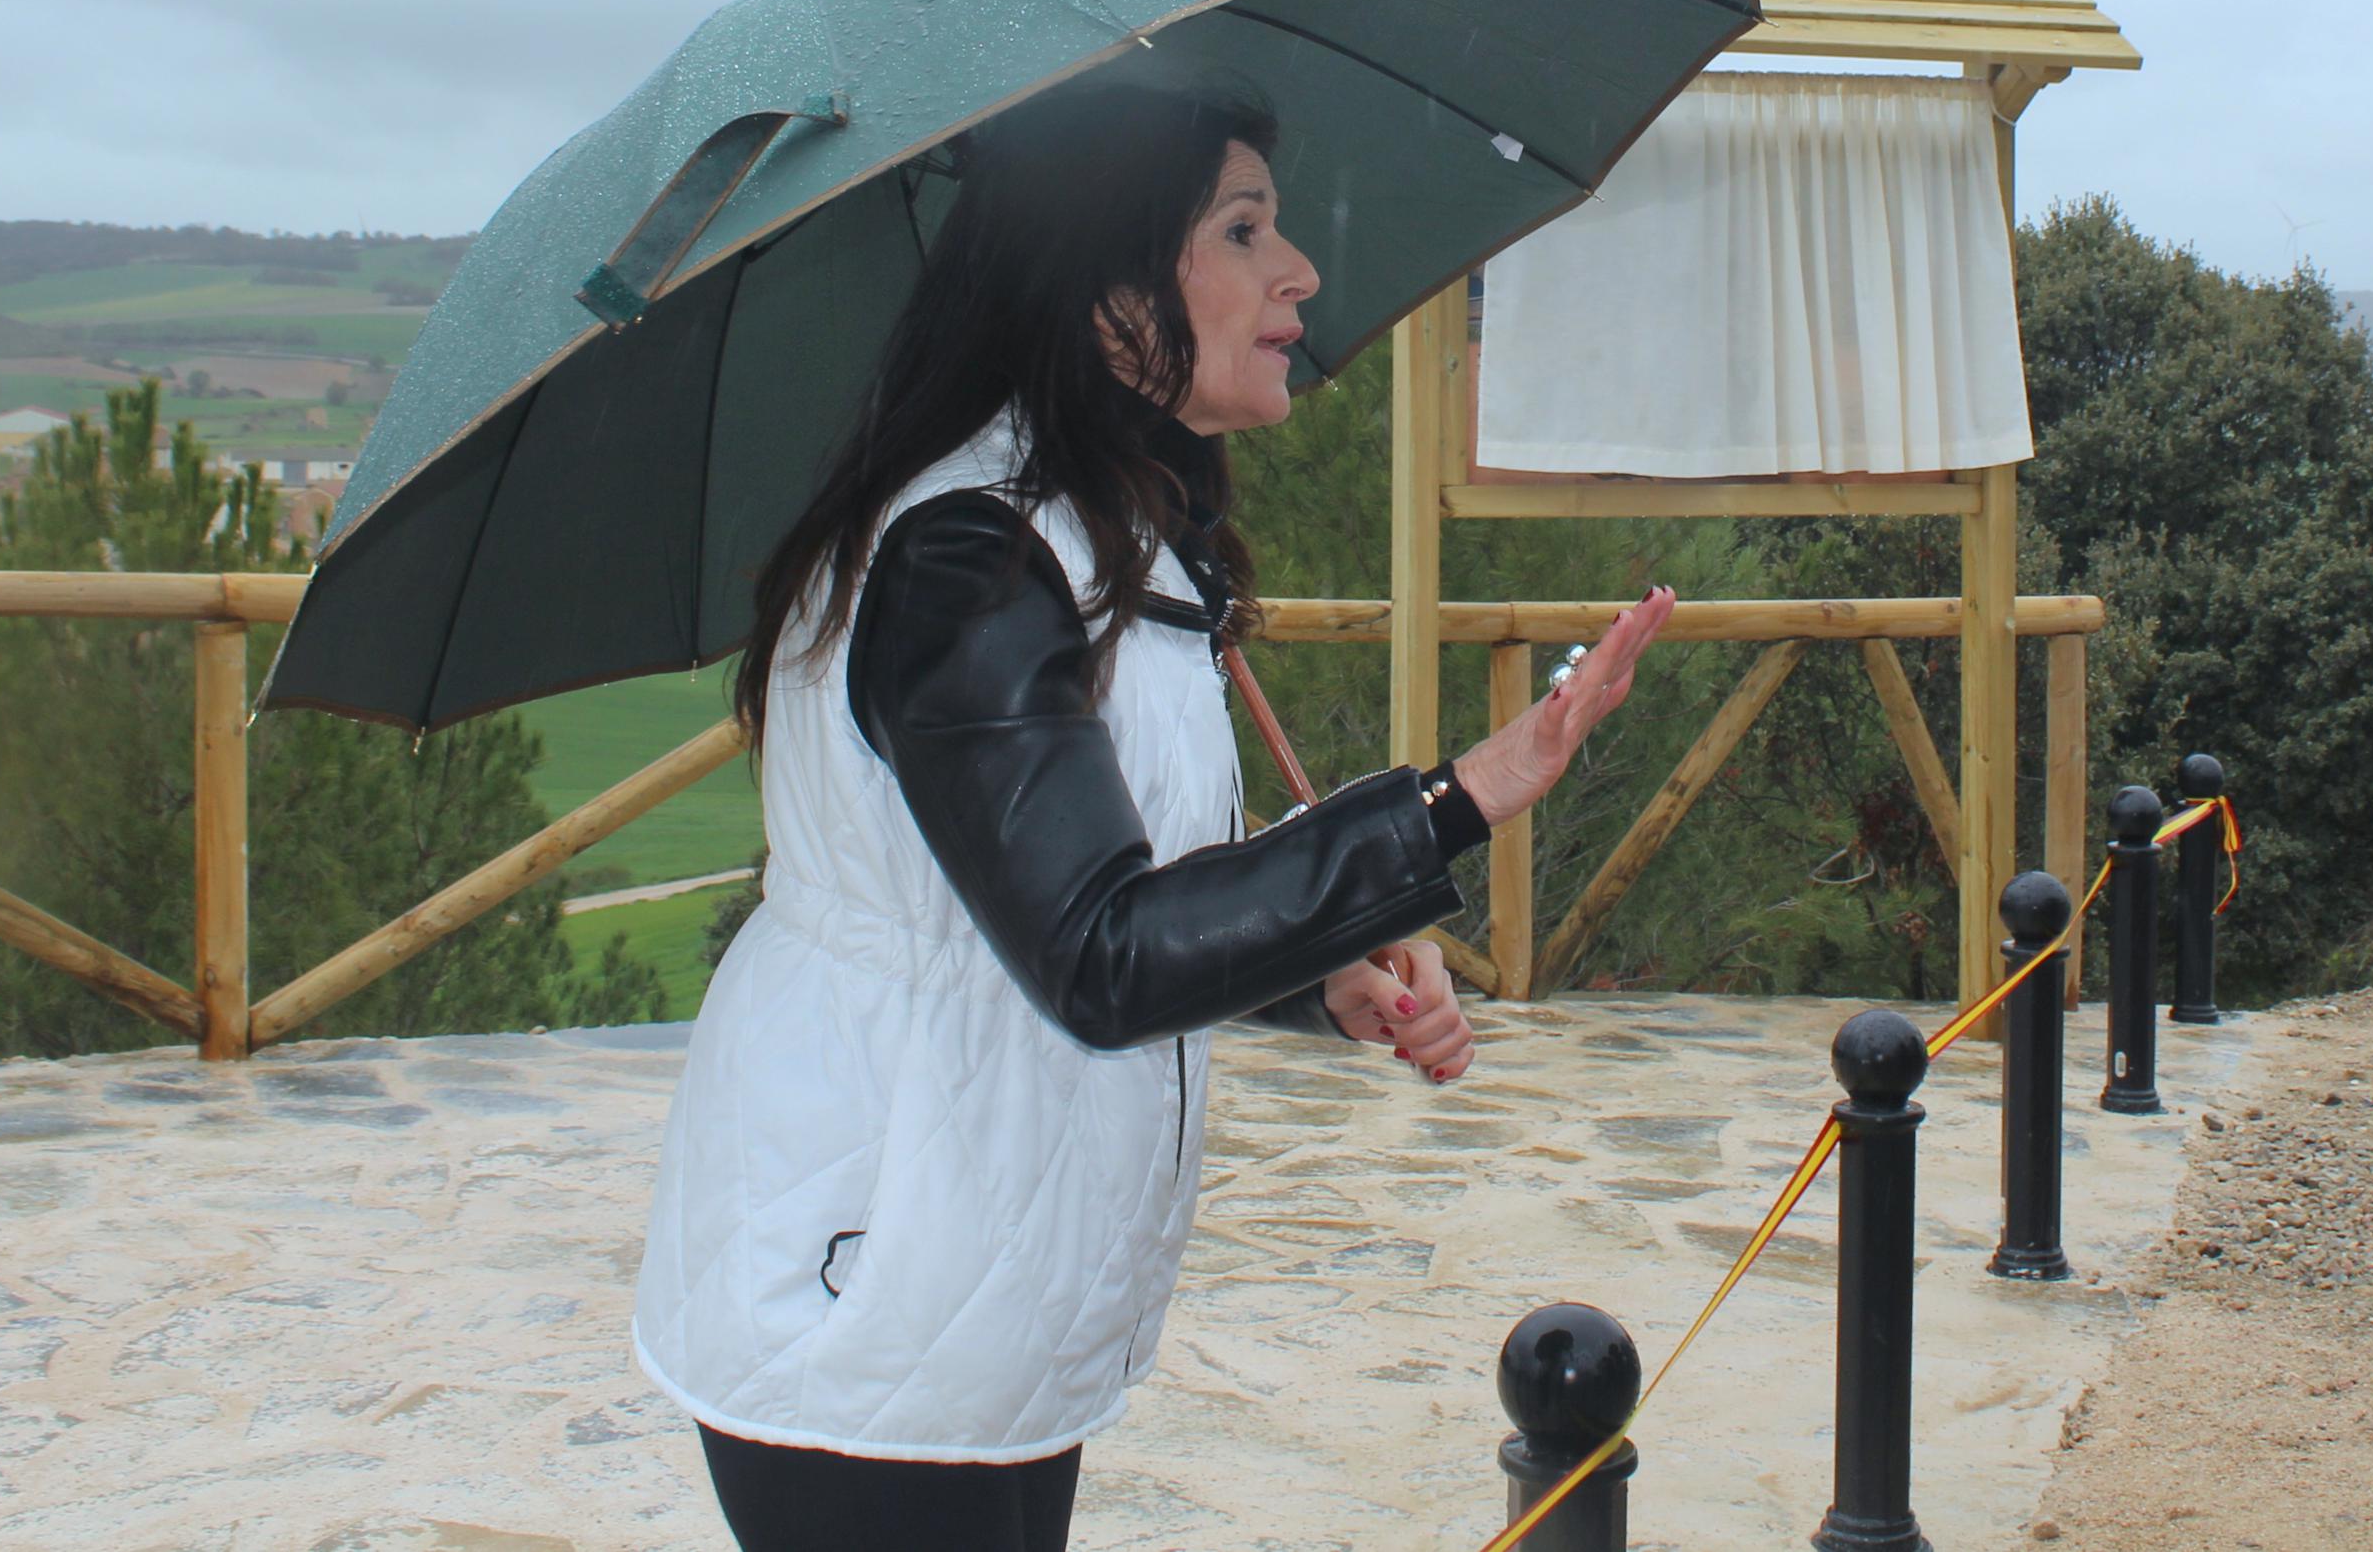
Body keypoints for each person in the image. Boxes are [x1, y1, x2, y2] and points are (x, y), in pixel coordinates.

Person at [629, 78, 1672, 1552]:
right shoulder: (968, 559)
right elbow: (1098, 951)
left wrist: (1318, 969)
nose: (1296, 270)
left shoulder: (1096, 531)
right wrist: (1452, 800)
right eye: (1242, 229)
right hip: (868, 1271)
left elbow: (1110, 885)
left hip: (984, 1271)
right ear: (1110, 296)